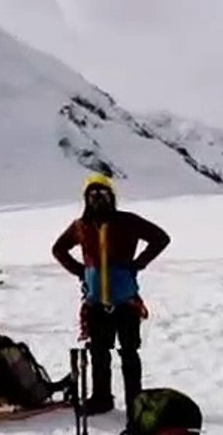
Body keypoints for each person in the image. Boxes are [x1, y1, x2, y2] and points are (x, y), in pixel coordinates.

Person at [52, 175, 170, 417]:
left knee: (129, 353)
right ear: (86, 199)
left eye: (103, 194)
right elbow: (59, 249)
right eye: (93, 195)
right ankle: (102, 399)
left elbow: (161, 238)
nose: (98, 199)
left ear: (112, 197)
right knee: (98, 352)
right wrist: (81, 271)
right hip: (96, 302)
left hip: (126, 301)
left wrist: (139, 263)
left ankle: (135, 402)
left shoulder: (128, 221)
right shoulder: (80, 226)